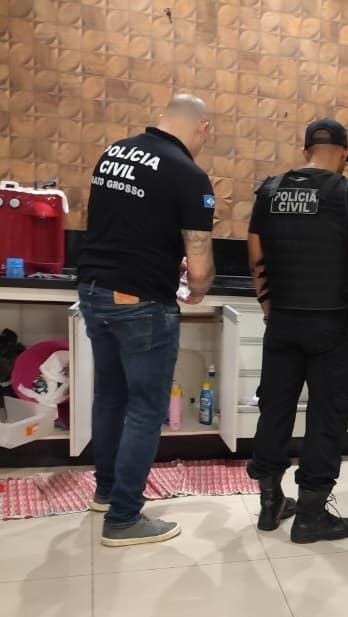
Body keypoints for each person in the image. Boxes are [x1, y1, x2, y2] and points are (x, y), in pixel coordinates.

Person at [246, 119, 348, 543]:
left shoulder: (269, 191)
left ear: (306, 148)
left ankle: (270, 504)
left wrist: (270, 307)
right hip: (332, 326)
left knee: (275, 408)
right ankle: (311, 515)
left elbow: (255, 256)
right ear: (345, 152)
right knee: (327, 415)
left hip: (283, 322)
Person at [78, 94, 216, 547]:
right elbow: (200, 267)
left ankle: (105, 492)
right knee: (145, 408)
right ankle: (123, 518)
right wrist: (198, 288)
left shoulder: (115, 152)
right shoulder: (189, 174)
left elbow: (127, 228)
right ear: (202, 127)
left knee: (110, 395)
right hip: (140, 302)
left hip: (94, 290)